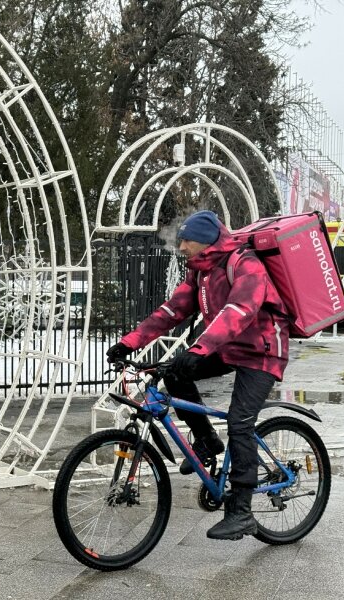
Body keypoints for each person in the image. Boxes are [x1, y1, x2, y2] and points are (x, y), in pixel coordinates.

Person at [106, 210, 290, 541]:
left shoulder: (245, 264)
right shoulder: (201, 273)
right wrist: (127, 343)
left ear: (204, 241)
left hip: (262, 350)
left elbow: (239, 312)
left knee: (240, 421)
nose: (181, 247)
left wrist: (199, 350)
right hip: (230, 347)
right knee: (174, 375)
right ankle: (206, 441)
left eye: (186, 241)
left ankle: (242, 511)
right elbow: (170, 311)